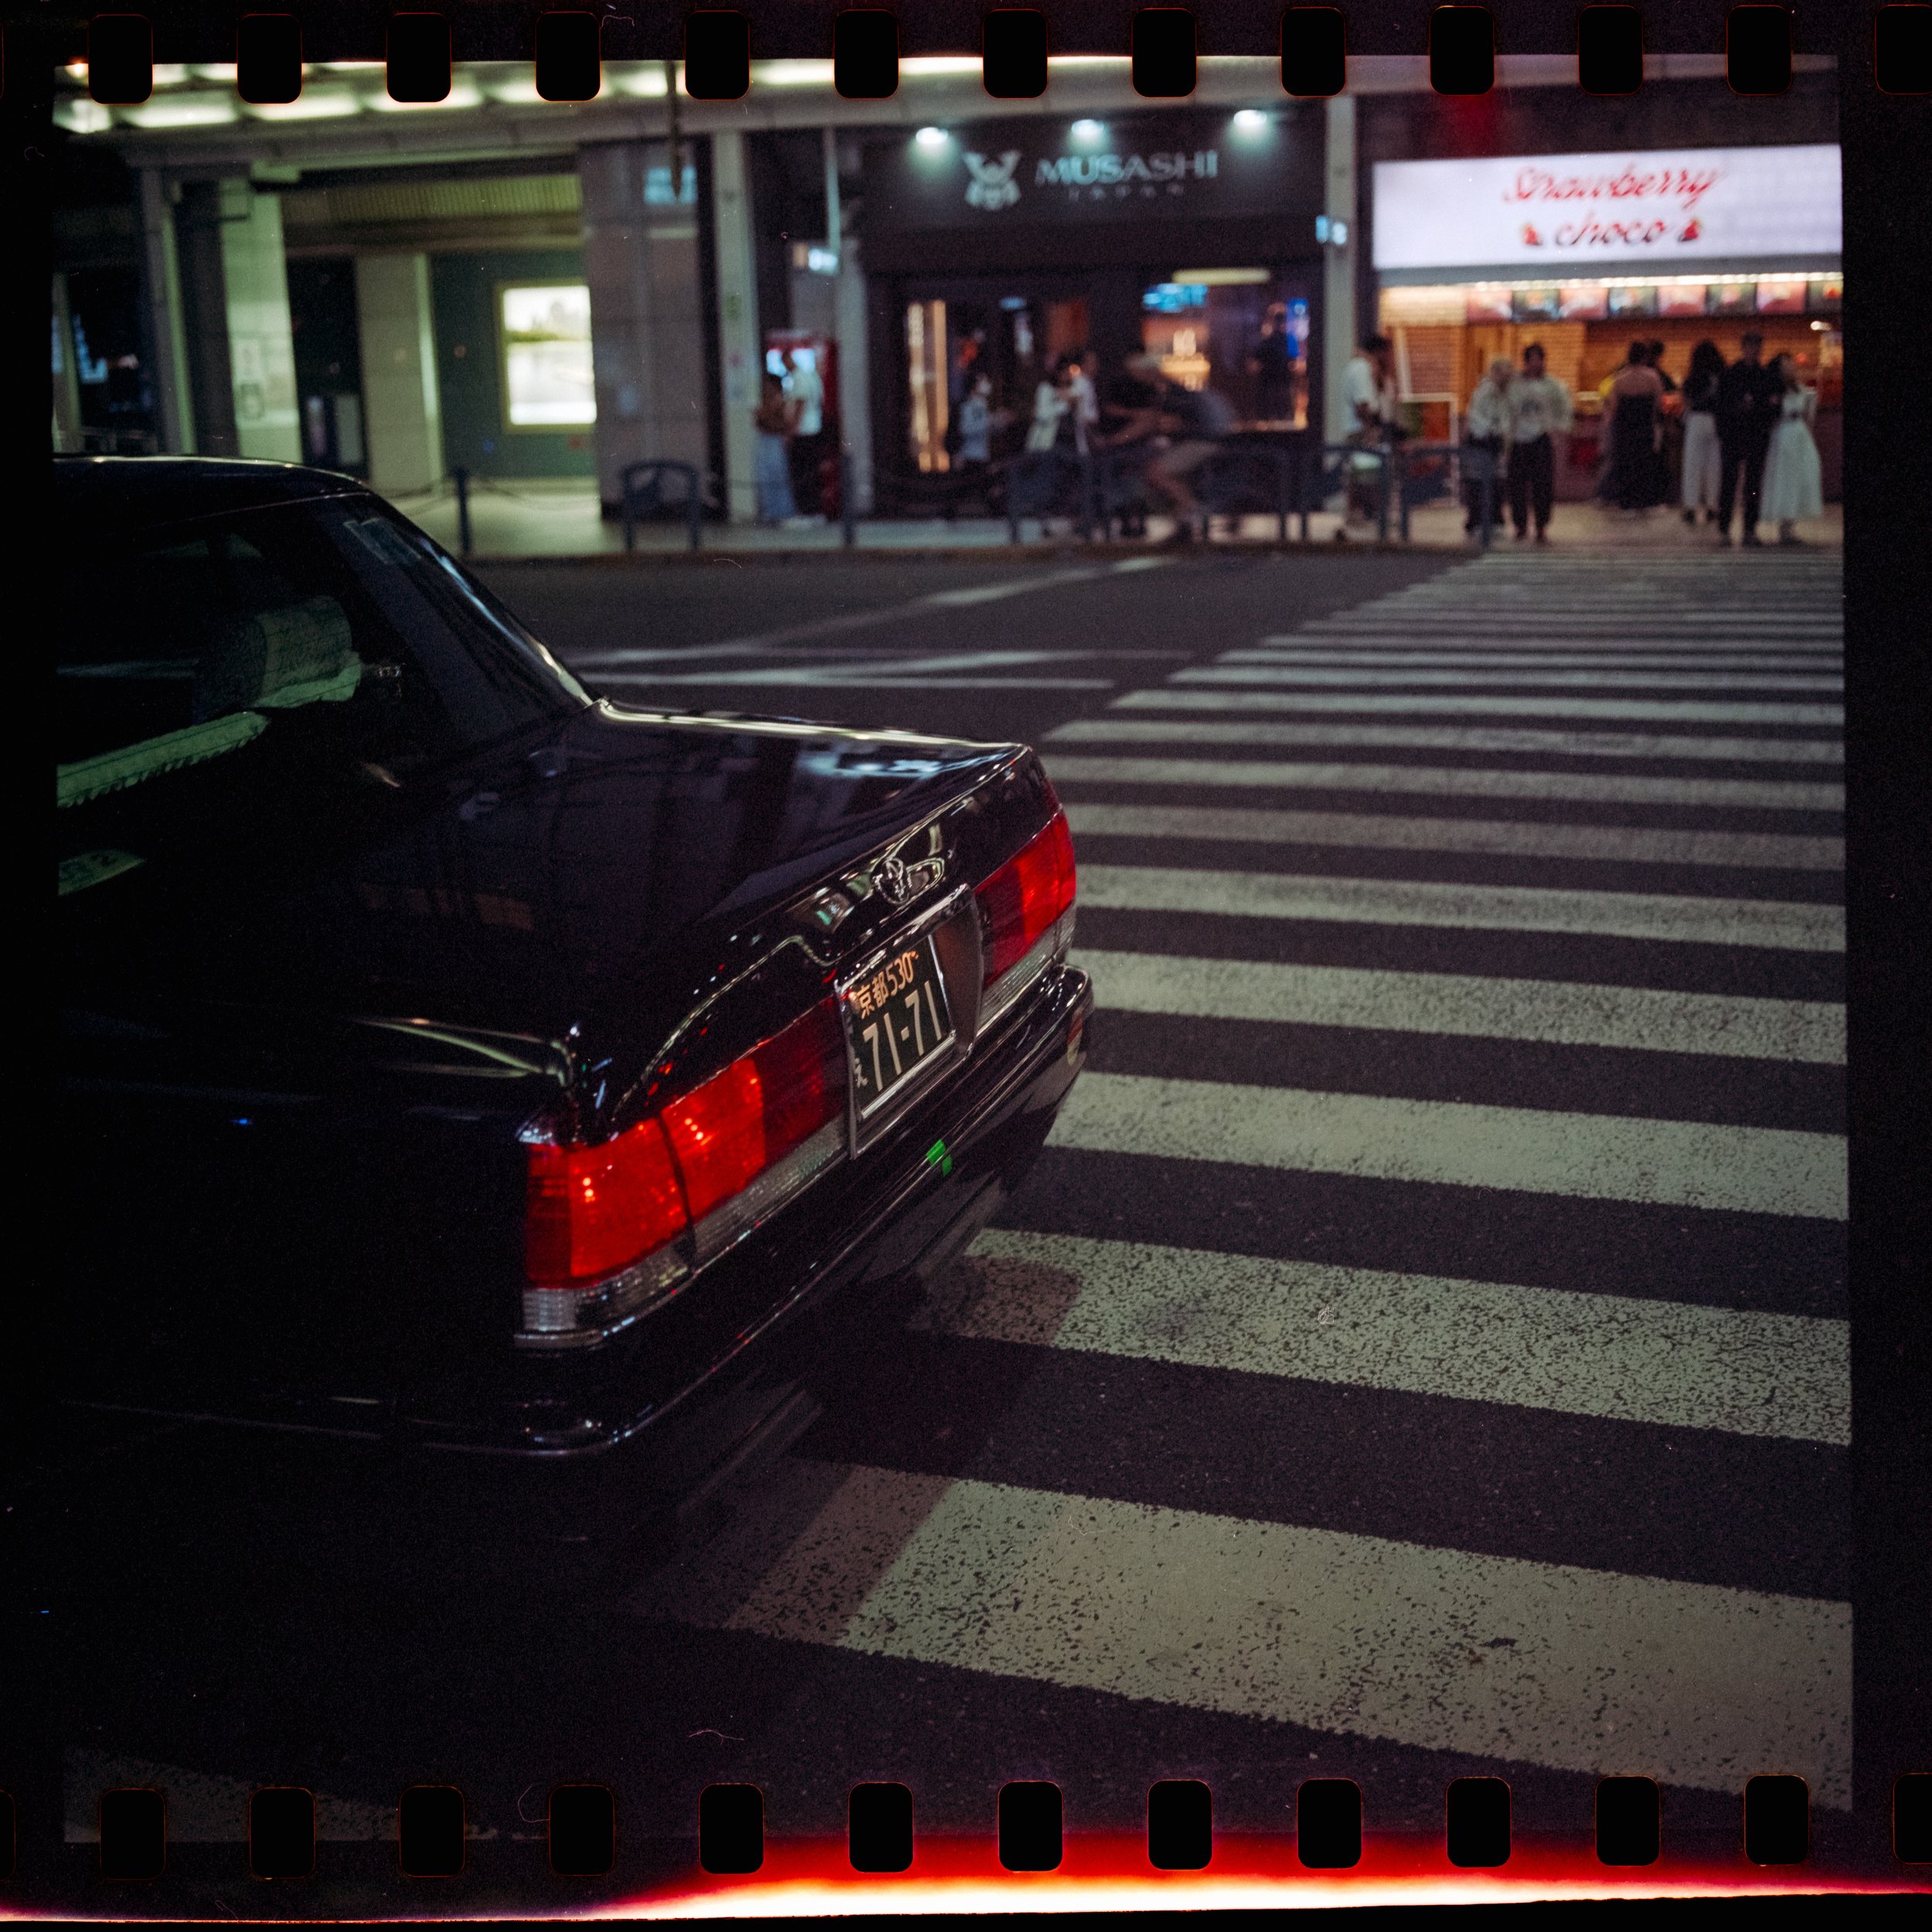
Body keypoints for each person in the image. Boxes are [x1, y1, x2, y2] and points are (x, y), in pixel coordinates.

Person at [1715, 331, 1784, 549]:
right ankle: (1724, 528)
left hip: (1756, 435)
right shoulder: (1730, 375)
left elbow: (1776, 406)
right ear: (1743, 348)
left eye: (1757, 347)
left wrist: (1762, 410)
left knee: (1753, 485)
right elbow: (1720, 406)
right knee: (1729, 482)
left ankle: (1749, 529)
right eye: (1751, 347)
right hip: (1734, 436)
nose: (1754, 351)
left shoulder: (1766, 376)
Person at [1505, 342, 1573, 544]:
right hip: (1518, 440)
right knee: (1517, 485)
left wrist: (1560, 430)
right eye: (1532, 359)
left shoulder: (1552, 386)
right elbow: (1506, 409)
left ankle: (1541, 525)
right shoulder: (1515, 385)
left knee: (1542, 485)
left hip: (1541, 438)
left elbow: (1564, 407)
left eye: (1538, 359)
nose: (1535, 364)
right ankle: (1520, 525)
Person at [1757, 353, 1825, 545]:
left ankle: (1791, 522)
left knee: (1803, 475)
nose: (1790, 369)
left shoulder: (1799, 388)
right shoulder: (1775, 390)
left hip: (1800, 434)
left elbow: (1808, 415)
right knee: (1785, 478)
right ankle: (1784, 524)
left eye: (1791, 365)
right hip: (1783, 434)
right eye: (1786, 365)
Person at [1339, 334, 1398, 528]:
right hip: (1361, 431)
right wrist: (1370, 430)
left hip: (1357, 429)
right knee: (1365, 476)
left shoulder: (1357, 366)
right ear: (1379, 352)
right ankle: (1362, 514)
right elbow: (1363, 404)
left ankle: (1361, 514)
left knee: (1361, 474)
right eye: (1387, 353)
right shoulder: (1363, 368)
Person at [1603, 340, 1665, 514]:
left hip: (1625, 428)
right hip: (1645, 426)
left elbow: (1613, 407)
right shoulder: (1652, 376)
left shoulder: (1620, 378)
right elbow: (1659, 403)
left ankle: (1627, 503)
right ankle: (1646, 502)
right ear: (1644, 356)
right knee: (1645, 464)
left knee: (1626, 463)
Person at [1462, 354, 1514, 537]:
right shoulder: (1485, 392)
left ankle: (1491, 520)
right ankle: (1478, 521)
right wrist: (1494, 430)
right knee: (1480, 482)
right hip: (1481, 441)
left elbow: (1504, 418)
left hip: (1492, 441)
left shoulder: (1502, 394)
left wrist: (1501, 433)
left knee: (1493, 482)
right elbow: (1477, 418)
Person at [1679, 339, 1725, 526]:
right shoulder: (1720, 377)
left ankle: (1691, 507)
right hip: (1716, 421)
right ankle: (1713, 506)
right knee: (1714, 466)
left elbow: (1687, 400)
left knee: (1693, 466)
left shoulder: (1693, 377)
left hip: (1696, 421)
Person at [783, 346, 826, 519]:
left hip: (803, 432)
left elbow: (801, 404)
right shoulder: (813, 376)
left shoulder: (798, 377)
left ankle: (807, 512)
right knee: (812, 472)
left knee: (802, 473)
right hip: (814, 428)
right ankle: (815, 511)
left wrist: (791, 431)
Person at [752, 371, 801, 525]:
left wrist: (767, 419)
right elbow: (759, 423)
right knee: (765, 478)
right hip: (765, 442)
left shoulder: (782, 403)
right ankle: (770, 512)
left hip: (775, 442)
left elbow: (784, 424)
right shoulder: (764, 402)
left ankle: (783, 513)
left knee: (778, 477)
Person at [1249, 301, 1296, 423]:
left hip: (1278, 386)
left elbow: (1294, 363)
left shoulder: (1287, 340)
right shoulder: (1286, 340)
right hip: (1272, 387)